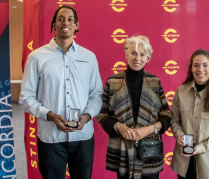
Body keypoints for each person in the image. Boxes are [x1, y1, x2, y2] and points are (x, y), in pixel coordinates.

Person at [19, 6, 103, 179]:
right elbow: (26, 97)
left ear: (76, 25)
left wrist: (86, 117)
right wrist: (49, 115)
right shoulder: (37, 57)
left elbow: (96, 95)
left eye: (70, 19)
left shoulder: (89, 57)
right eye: (61, 18)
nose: (66, 22)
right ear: (54, 24)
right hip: (50, 138)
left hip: (83, 137)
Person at [97, 35, 172, 179]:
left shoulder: (154, 81)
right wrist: (118, 126)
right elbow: (102, 114)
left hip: (150, 150)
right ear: (126, 55)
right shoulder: (113, 81)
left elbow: (166, 115)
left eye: (142, 54)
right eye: (133, 53)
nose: (137, 58)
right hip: (122, 151)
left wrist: (149, 129)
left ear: (147, 57)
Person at [170, 49, 209, 179]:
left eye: (205, 65)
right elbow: (174, 120)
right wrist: (179, 134)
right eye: (196, 65)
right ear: (191, 68)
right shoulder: (181, 92)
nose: (200, 69)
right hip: (184, 163)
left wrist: (199, 148)